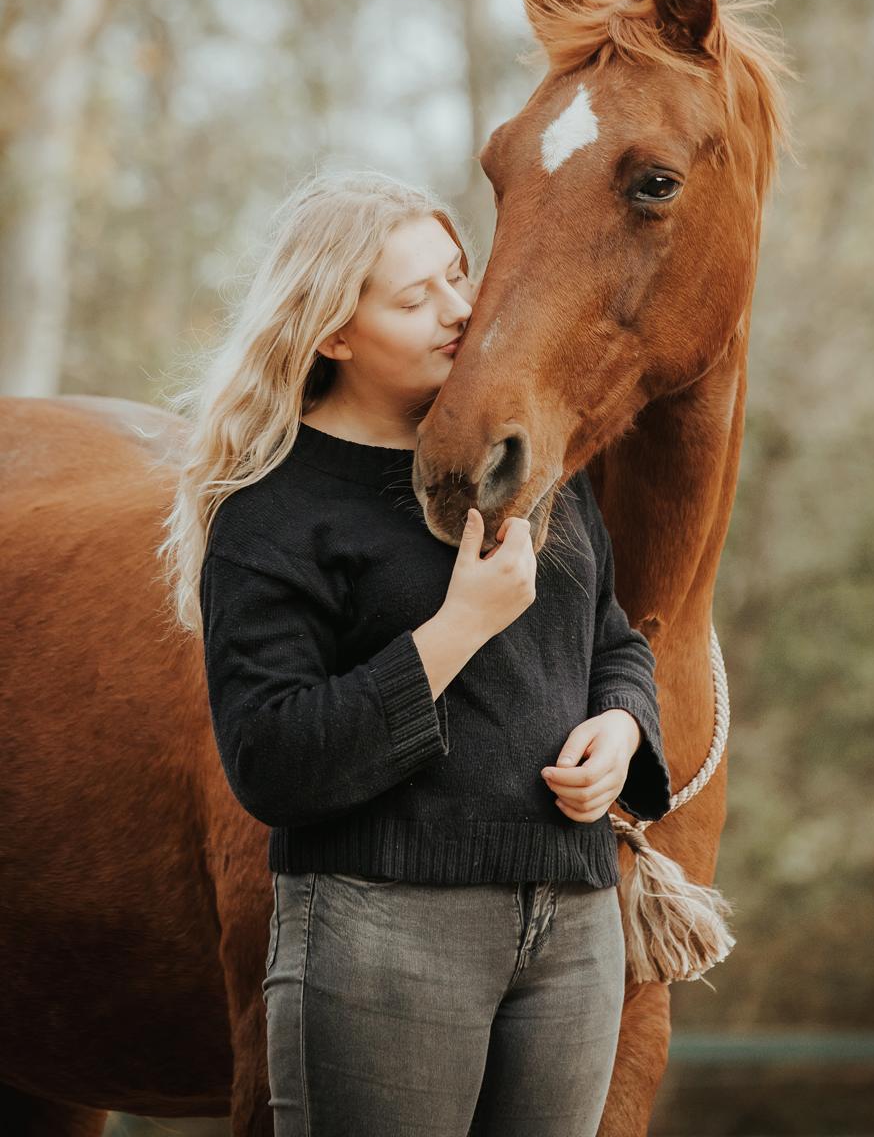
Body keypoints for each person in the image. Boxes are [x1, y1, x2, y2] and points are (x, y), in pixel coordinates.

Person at [162, 166, 671, 1137]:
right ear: (332, 333)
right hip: (384, 932)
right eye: (414, 295)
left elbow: (609, 635)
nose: (460, 307)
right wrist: (456, 629)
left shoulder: (518, 452)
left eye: (457, 272)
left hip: (572, 928)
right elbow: (273, 762)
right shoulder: (271, 511)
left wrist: (620, 722)